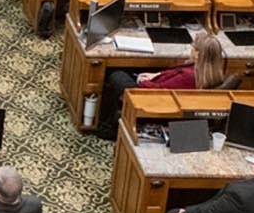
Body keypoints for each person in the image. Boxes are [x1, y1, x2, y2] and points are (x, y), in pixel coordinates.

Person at [95, 32, 226, 139]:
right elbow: (171, 78)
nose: (191, 48)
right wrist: (156, 74)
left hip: (150, 99)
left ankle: (107, 127)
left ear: (198, 54)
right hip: (161, 95)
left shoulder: (189, 76)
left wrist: (142, 81)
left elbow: (159, 91)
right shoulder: (211, 72)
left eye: (194, 46)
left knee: (115, 74)